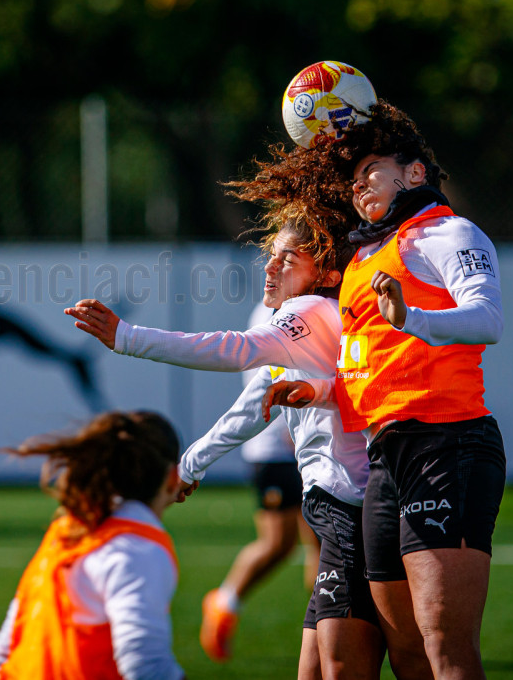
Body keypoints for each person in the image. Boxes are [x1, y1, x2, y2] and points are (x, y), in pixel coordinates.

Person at [66, 216, 383, 680]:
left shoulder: (310, 309)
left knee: (353, 666)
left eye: (287, 259)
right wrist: (191, 464)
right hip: (340, 506)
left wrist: (128, 338)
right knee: (318, 668)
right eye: (271, 256)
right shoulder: (320, 316)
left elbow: (233, 349)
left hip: (348, 509)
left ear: (327, 274)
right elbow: (255, 405)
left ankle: (228, 600)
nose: (270, 267)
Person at [257, 100, 506, 680]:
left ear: (414, 172)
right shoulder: (368, 253)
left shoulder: (447, 231)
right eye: (353, 178)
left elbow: (488, 319)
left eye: (372, 170)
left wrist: (410, 317)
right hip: (384, 457)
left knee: (444, 648)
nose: (359, 184)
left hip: (448, 444)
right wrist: (319, 390)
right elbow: (366, 364)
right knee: (408, 654)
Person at [0, 410, 187, 680]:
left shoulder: (65, 534)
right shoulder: (136, 549)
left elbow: (2, 655)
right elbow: (146, 666)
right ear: (173, 477)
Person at [197, 300, 320, 665]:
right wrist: (292, 431)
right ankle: (224, 602)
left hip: (305, 445)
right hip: (277, 447)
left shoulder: (303, 304)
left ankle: (329, 627)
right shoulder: (277, 311)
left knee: (324, 544)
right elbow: (272, 376)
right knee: (278, 543)